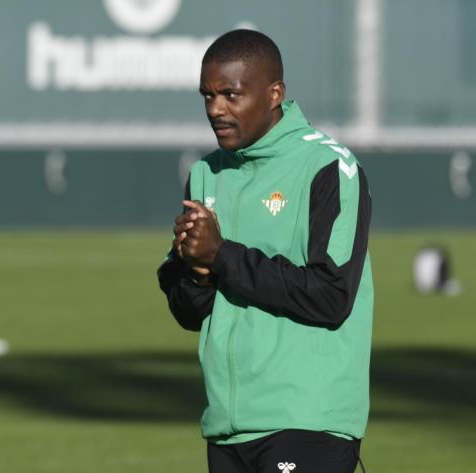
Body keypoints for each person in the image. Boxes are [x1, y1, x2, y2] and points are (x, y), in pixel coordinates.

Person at [158, 29, 373, 473]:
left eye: (231, 94)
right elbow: (189, 313)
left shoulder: (328, 167)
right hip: (227, 425)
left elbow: (331, 295)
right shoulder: (205, 174)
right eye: (208, 96)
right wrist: (195, 272)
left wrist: (221, 255)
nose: (216, 109)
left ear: (275, 93)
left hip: (308, 419)